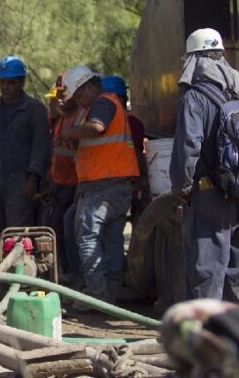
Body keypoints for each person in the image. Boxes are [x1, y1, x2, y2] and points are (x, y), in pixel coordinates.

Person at [170, 28, 239, 304]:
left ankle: (205, 334)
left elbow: (189, 146)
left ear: (193, 60)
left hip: (209, 194)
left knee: (207, 267)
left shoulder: (194, 98)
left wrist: (182, 187)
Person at [59, 65, 139, 305]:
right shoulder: (106, 103)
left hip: (102, 186)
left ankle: (96, 295)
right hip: (115, 184)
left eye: (80, 95)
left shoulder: (102, 104)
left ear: (90, 86)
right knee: (112, 241)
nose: (79, 102)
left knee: (88, 238)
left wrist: (69, 132)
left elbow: (97, 128)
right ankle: (110, 294)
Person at [0, 55, 51, 270]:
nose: (6, 87)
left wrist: (33, 178)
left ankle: (18, 275)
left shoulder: (34, 110)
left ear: (21, 82)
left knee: (17, 231)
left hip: (20, 180)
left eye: (11, 82)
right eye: (3, 82)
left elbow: (41, 146)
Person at [44, 82, 85, 285]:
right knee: (57, 228)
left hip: (74, 184)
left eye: (63, 94)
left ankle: (73, 273)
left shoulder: (79, 118)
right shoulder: (63, 119)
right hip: (59, 183)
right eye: (56, 95)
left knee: (68, 227)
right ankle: (65, 271)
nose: (59, 99)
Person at [102, 74, 149, 222]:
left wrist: (139, 184)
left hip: (117, 182)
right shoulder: (133, 123)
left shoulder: (131, 124)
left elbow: (137, 154)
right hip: (119, 181)